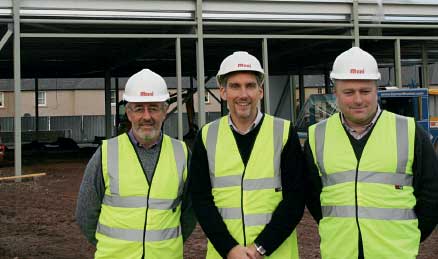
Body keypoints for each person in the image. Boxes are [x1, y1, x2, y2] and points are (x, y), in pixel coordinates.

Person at [305, 47, 438, 259]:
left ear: (376, 89)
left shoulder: (410, 132)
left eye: (365, 91)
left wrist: (409, 236)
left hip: (394, 253)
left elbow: (432, 194)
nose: (358, 100)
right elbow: (313, 196)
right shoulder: (317, 136)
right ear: (335, 92)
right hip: (339, 252)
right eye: (348, 92)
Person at [190, 51, 305, 259]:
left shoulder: (285, 132)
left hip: (274, 253)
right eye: (235, 86)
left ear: (260, 91)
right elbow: (201, 199)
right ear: (223, 92)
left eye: (250, 86)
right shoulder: (207, 136)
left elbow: (295, 200)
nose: (243, 94)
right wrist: (229, 249)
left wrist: (260, 248)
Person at [76, 69, 195, 259]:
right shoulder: (106, 154)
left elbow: (190, 212)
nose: (146, 116)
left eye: (154, 108)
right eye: (139, 108)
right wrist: (111, 246)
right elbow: (85, 214)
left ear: (165, 112)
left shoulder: (182, 153)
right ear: (129, 113)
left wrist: (167, 245)